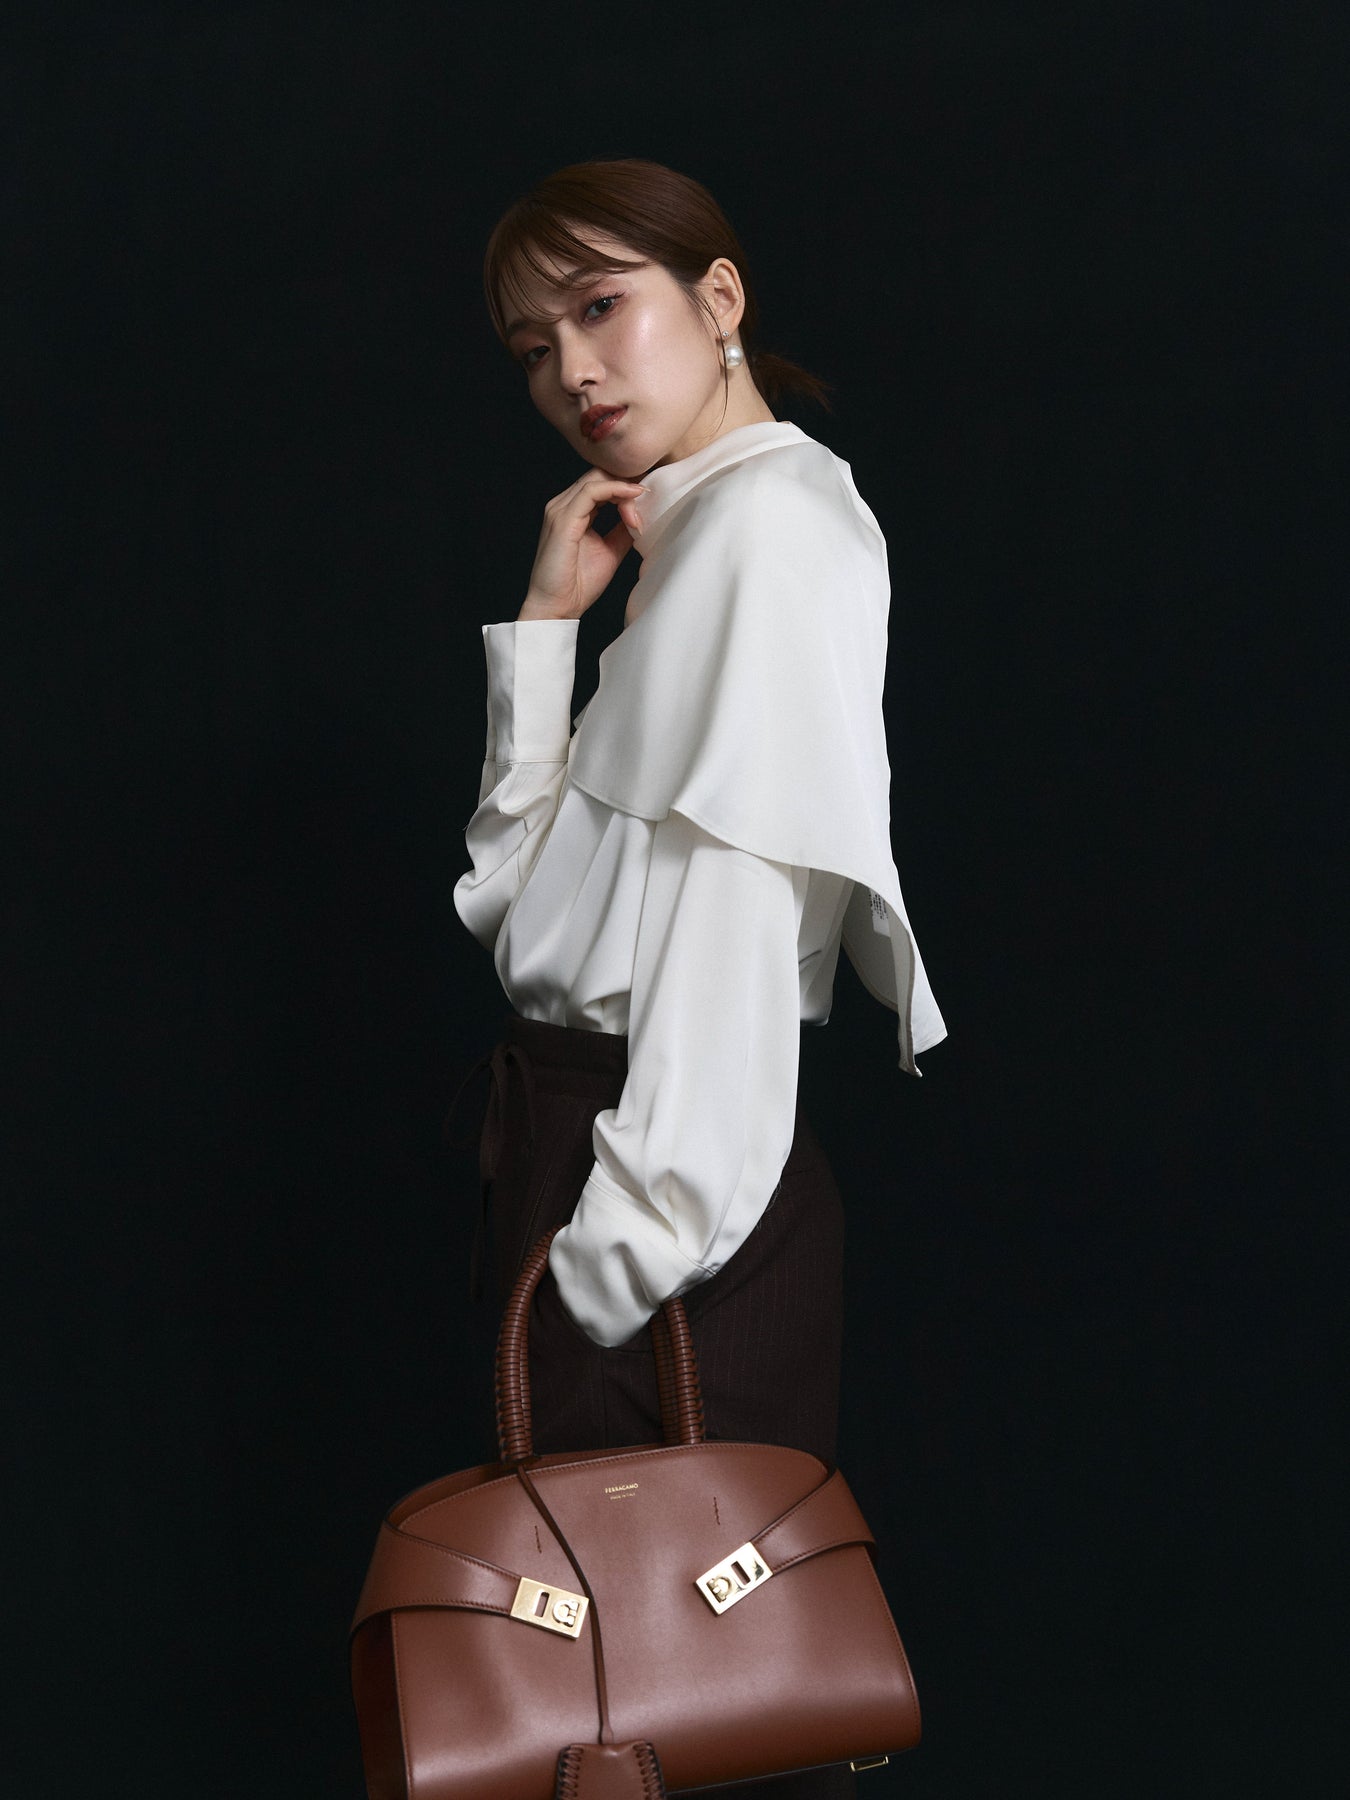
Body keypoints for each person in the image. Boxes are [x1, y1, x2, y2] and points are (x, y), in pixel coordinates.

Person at [453, 159, 945, 1798]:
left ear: (717, 299)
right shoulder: (693, 533)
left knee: (664, 1726)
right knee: (618, 1727)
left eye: (603, 308)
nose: (573, 373)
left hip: (660, 1195)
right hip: (593, 1161)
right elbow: (515, 911)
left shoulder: (771, 534)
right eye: (533, 347)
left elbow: (733, 941)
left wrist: (604, 1270)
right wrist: (546, 628)